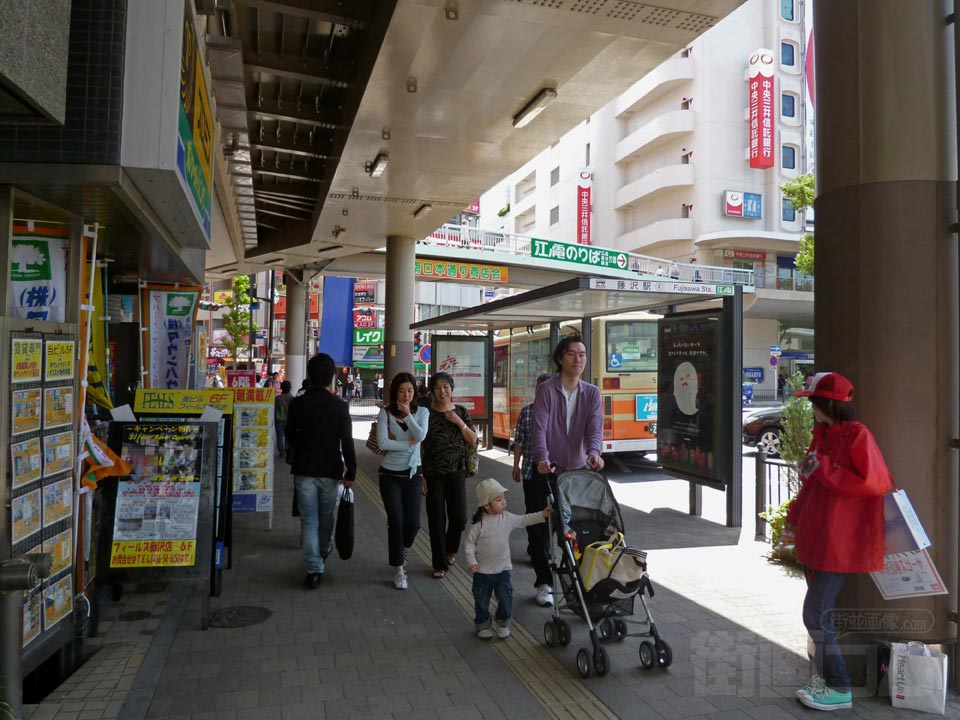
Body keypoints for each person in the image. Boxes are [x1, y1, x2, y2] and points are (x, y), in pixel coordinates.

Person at [785, 372, 892, 712]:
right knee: (819, 616)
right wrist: (793, 518)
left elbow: (874, 482)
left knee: (815, 616)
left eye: (813, 401)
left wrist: (824, 467)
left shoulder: (858, 436)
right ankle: (827, 682)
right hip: (817, 538)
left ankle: (839, 687)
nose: (810, 407)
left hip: (837, 542)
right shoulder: (824, 435)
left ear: (826, 403)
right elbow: (812, 483)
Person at [529, 335, 604, 607]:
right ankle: (544, 583)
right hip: (547, 470)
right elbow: (539, 428)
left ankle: (577, 581)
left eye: (582, 354)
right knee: (540, 530)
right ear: (561, 358)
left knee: (574, 529)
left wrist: (594, 454)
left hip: (576, 472)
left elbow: (595, 428)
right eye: (572, 354)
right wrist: (541, 458)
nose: (578, 359)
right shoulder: (547, 390)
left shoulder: (592, 393)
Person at [285, 354, 356, 589]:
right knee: (326, 519)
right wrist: (351, 471)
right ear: (331, 377)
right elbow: (347, 441)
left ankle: (313, 567)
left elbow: (289, 435)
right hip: (330, 470)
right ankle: (322, 552)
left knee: (308, 521)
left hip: (304, 469)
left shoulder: (298, 403)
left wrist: (294, 452)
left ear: (309, 375)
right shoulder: (339, 406)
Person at [465, 479, 552, 640]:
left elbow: (524, 520)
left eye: (504, 498)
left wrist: (543, 514)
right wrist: (472, 562)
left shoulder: (507, 518)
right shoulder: (479, 525)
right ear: (486, 505)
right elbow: (469, 544)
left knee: (506, 598)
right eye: (498, 500)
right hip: (482, 572)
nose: (504, 503)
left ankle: (503, 622)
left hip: (503, 570)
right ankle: (483, 624)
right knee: (481, 601)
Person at [420, 372, 477, 578]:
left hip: (457, 473)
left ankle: (451, 549)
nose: (442, 391)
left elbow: (472, 440)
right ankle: (439, 563)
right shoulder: (426, 414)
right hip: (432, 473)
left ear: (452, 389)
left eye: (446, 386)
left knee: (459, 517)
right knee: (436, 519)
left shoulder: (461, 411)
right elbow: (419, 445)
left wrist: (459, 422)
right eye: (437, 387)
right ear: (432, 391)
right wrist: (420, 474)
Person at [376, 372, 429, 590]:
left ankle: (403, 547)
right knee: (396, 522)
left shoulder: (423, 411)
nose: (406, 394)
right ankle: (399, 569)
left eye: (409, 390)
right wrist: (408, 444)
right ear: (394, 392)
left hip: (413, 475)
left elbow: (422, 435)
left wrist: (408, 416)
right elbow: (382, 442)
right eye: (401, 390)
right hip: (389, 476)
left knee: (413, 524)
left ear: (414, 392)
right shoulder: (385, 414)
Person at [512, 372, 553, 558]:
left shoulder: (559, 412)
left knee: (552, 513)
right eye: (540, 388)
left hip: (554, 472)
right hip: (531, 470)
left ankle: (542, 548)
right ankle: (536, 546)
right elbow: (519, 441)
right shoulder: (527, 412)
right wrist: (515, 466)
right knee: (532, 511)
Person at [274, 380, 293, 460]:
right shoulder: (292, 399)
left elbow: (274, 409)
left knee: (280, 437)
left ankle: (282, 453)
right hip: (289, 420)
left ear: (281, 388)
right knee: (288, 437)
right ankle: (287, 451)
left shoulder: (277, 399)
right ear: (290, 388)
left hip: (279, 420)